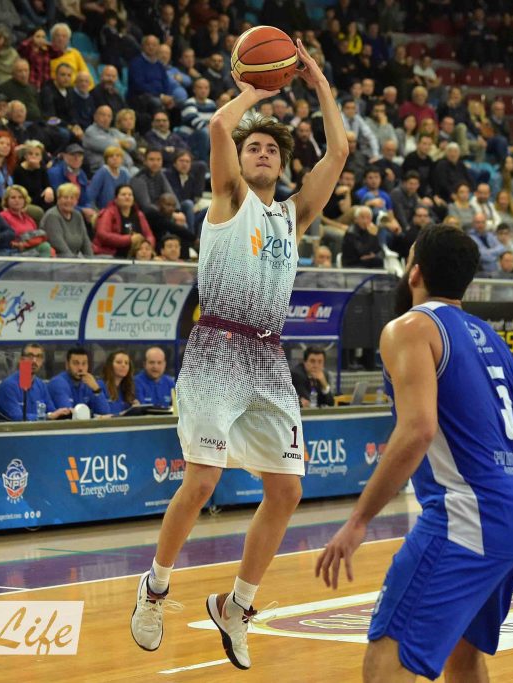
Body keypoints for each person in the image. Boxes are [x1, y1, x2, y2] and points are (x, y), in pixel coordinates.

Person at [130, 40, 347, 670]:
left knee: (287, 490)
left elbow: (339, 152)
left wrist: (319, 83)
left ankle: (237, 605)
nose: (262, 152)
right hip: (215, 347)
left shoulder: (294, 216)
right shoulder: (228, 198)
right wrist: (257, 88)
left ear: (282, 164)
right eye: (255, 147)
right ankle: (155, 588)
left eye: (271, 149)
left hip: (268, 359)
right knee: (202, 480)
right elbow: (220, 126)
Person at [315, 225, 513, 682]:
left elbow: (418, 429)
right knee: (462, 657)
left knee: (386, 665)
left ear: (414, 271)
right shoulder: (493, 339)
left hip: (468, 517)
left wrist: (359, 519)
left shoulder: (409, 328)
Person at [0, 343, 73, 421]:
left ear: (42, 361)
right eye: (30, 356)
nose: (34, 361)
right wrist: (48, 416)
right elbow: (17, 417)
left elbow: (51, 412)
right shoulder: (8, 386)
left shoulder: (41, 385)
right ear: (21, 360)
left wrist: (64, 413)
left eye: (38, 357)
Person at [93, 184, 156, 257]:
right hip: (110, 254)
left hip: (136, 255)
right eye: (123, 195)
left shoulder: (139, 214)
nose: (127, 197)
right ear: (116, 199)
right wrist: (129, 239)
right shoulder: (108, 213)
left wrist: (147, 246)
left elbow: (149, 235)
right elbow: (102, 235)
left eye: (130, 195)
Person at [48, 346, 110, 415]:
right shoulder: (58, 383)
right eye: (76, 363)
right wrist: (93, 414)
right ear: (67, 365)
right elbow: (68, 414)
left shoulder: (89, 383)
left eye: (84, 363)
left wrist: (96, 389)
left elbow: (105, 412)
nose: (80, 368)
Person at [40, 182, 94, 257]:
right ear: (58, 199)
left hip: (74, 258)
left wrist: (91, 260)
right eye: (65, 197)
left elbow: (85, 241)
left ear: (77, 201)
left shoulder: (77, 215)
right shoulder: (52, 216)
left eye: (72, 198)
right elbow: (60, 246)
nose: (69, 201)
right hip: (58, 259)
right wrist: (75, 261)